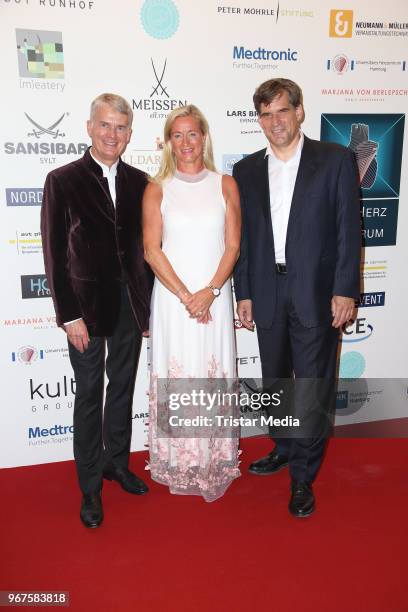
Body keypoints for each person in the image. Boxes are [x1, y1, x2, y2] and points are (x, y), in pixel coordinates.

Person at [233, 79, 361, 517]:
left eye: (282, 111)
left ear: (300, 111)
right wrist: (243, 292)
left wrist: (345, 289)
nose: (275, 122)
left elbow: (349, 230)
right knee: (275, 381)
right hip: (267, 290)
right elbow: (244, 240)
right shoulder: (246, 170)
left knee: (310, 385)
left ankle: (303, 476)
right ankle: (284, 445)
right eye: (266, 114)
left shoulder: (335, 160)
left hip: (316, 292)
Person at [41, 93, 152, 528]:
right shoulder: (63, 179)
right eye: (105, 125)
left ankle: (116, 464)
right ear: (89, 127)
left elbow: (144, 251)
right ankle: (89, 487)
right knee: (89, 395)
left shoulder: (141, 181)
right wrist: (69, 316)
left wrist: (145, 310)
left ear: (129, 132)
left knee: (122, 387)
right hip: (83, 312)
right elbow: (54, 255)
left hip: (128, 307)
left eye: (121, 127)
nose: (112, 135)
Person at [143, 104, 241, 502]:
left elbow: (233, 245)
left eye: (193, 134)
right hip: (173, 303)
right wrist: (187, 296)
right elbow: (152, 250)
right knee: (180, 372)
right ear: (169, 142)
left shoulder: (225, 185)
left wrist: (211, 292)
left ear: (205, 137)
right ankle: (179, 460)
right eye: (177, 135)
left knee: (212, 373)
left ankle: (213, 459)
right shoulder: (156, 188)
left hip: (215, 300)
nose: (186, 143)